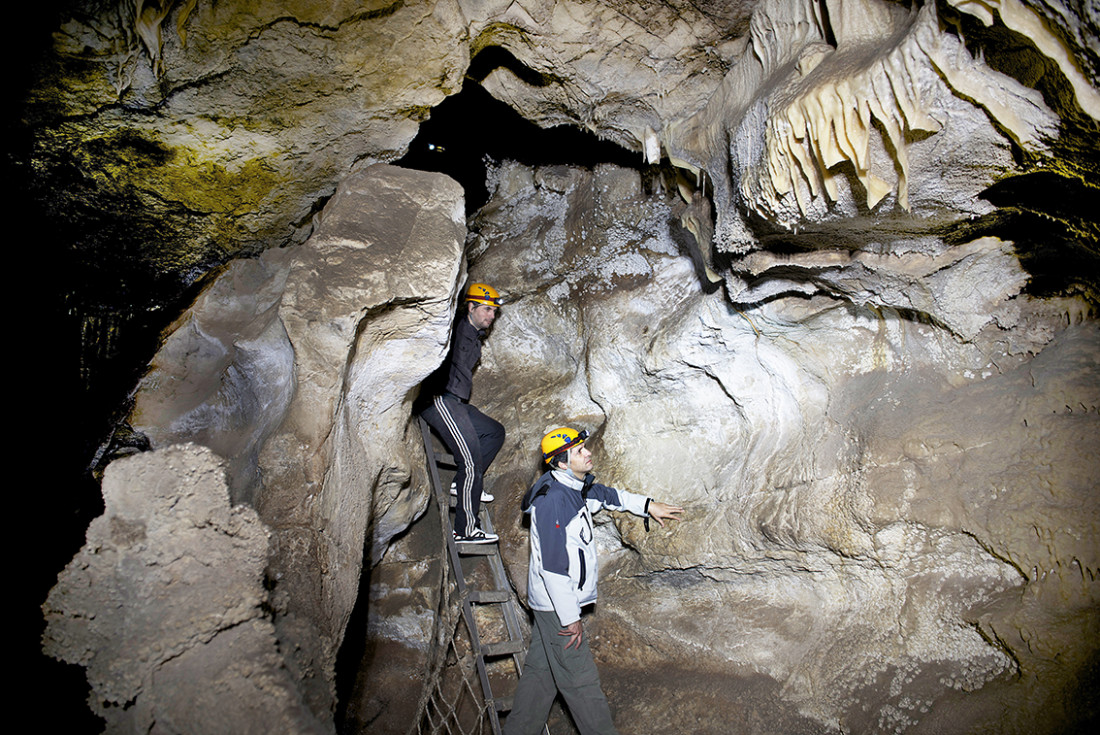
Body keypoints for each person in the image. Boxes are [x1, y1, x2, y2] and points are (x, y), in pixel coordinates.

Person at [504, 427, 684, 735]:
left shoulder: (574, 487)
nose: (587, 453)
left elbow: (608, 495)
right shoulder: (552, 502)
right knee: (581, 681)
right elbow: (553, 568)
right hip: (556, 607)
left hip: (555, 606)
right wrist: (570, 618)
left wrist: (648, 505)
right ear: (561, 462)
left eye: (584, 447)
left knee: (540, 676)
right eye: (578, 451)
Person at [420, 283, 506, 544]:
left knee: (494, 432)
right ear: (470, 307)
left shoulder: (474, 336)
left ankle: (461, 484)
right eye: (487, 310)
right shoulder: (456, 329)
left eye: (494, 311)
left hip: (457, 401)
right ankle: (466, 530)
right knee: (470, 461)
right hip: (440, 399)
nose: (491, 316)